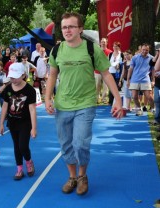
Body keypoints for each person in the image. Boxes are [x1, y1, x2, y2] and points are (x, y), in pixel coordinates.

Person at [45, 12, 123, 195]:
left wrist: (117, 99)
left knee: (80, 144)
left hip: (85, 104)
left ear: (80, 29)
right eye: (64, 27)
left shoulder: (92, 48)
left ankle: (82, 176)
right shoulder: (56, 50)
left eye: (71, 26)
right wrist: (47, 98)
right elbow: (53, 75)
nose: (67, 30)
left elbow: (106, 74)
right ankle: (72, 177)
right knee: (65, 144)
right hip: (62, 105)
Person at [0, 62, 36, 180]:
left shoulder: (30, 90)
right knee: (16, 146)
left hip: (25, 122)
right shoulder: (8, 88)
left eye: (16, 77)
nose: (13, 79)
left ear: (23, 75)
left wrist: (34, 128)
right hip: (13, 122)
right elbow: (5, 106)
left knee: (23, 146)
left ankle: (29, 161)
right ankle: (19, 168)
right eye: (11, 77)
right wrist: (1, 123)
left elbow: (32, 109)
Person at [126, 43, 154, 116]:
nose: (145, 51)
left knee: (149, 97)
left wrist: (153, 80)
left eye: (146, 50)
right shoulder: (135, 57)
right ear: (141, 49)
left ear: (149, 50)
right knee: (134, 96)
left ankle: (154, 109)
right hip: (135, 79)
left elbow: (153, 70)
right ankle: (139, 109)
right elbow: (130, 69)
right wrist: (128, 80)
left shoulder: (151, 58)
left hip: (145, 80)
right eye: (143, 50)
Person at [95, 38, 112, 104]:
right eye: (102, 42)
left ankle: (104, 99)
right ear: (100, 43)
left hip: (106, 72)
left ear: (106, 43)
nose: (103, 43)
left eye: (104, 42)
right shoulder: (96, 51)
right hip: (97, 71)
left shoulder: (110, 52)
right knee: (97, 86)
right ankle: (96, 99)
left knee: (105, 87)